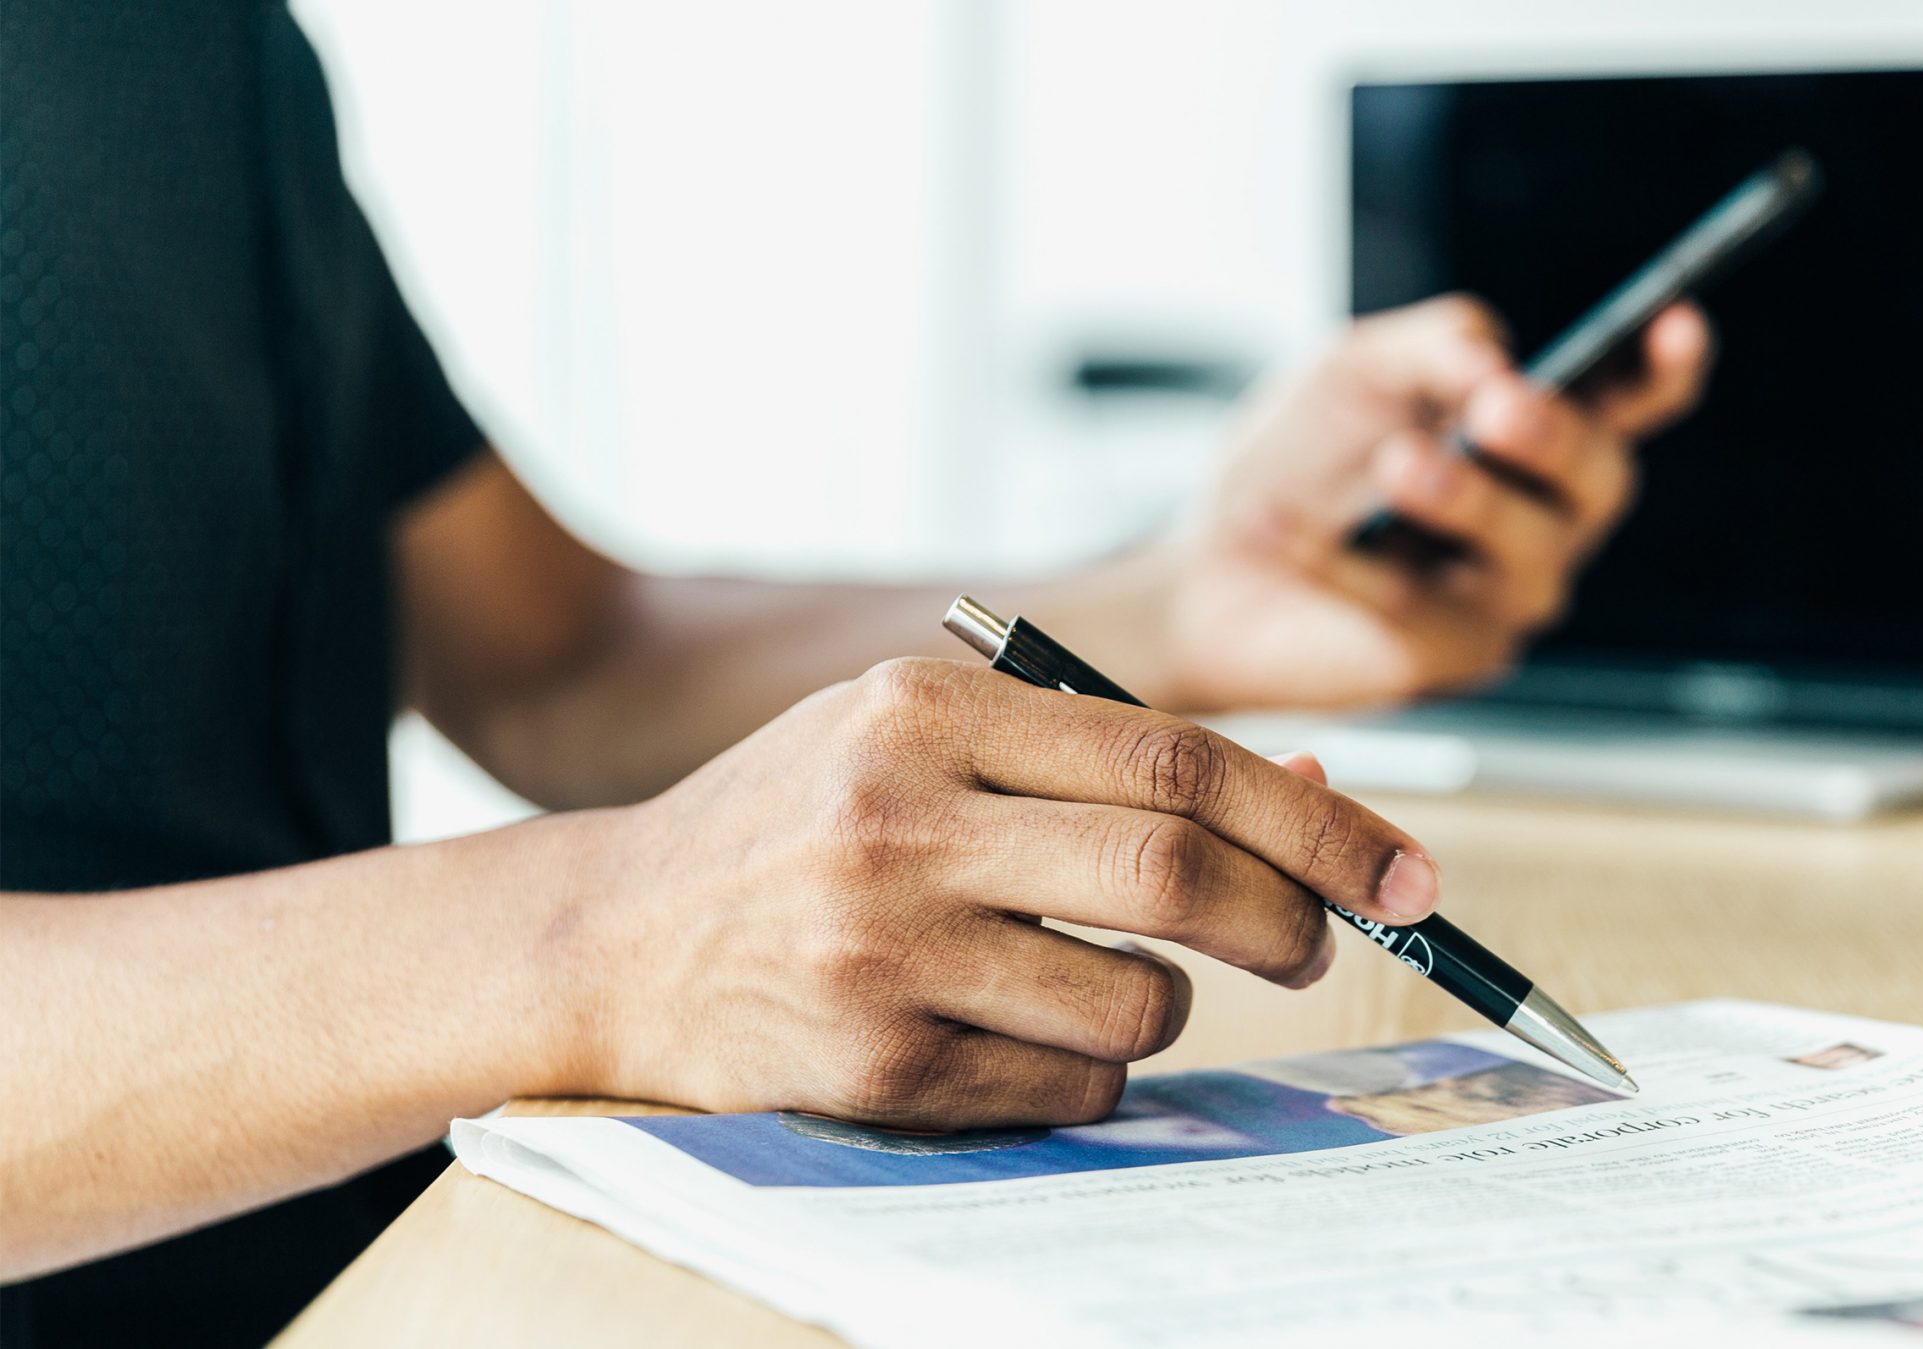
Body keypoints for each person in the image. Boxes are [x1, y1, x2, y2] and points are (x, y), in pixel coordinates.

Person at [0, 3, 1709, 1343]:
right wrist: (609, 932)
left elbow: (556, 659)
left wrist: (1185, 595)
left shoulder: (205, 43)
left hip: (395, 1272)